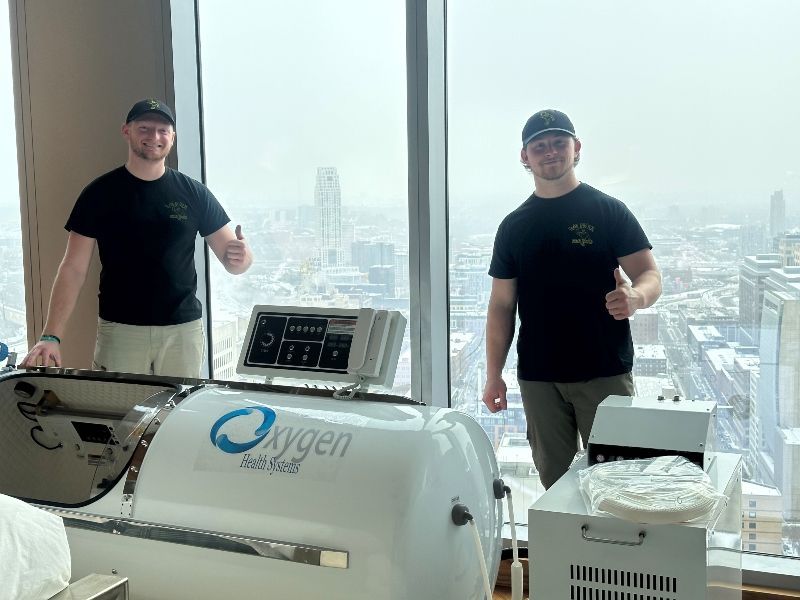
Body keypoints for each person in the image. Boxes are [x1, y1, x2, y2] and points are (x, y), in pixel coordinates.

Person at [482, 109, 661, 489]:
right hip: (540, 379)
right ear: (524, 157)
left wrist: (635, 297)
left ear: (576, 148)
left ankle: (612, 552)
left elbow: (650, 275)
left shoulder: (608, 211)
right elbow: (501, 306)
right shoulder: (514, 227)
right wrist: (493, 375)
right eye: (540, 146)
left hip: (605, 372)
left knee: (617, 485)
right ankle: (567, 553)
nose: (550, 152)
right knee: (555, 487)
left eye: (559, 143)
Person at [20, 98, 253, 377]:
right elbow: (73, 268)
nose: (154, 136)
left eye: (162, 130)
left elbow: (234, 261)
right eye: (144, 128)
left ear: (172, 137)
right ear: (126, 131)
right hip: (120, 331)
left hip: (183, 331)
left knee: (179, 415)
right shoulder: (99, 194)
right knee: (120, 415)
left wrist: (243, 256)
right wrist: (51, 336)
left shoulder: (194, 193)